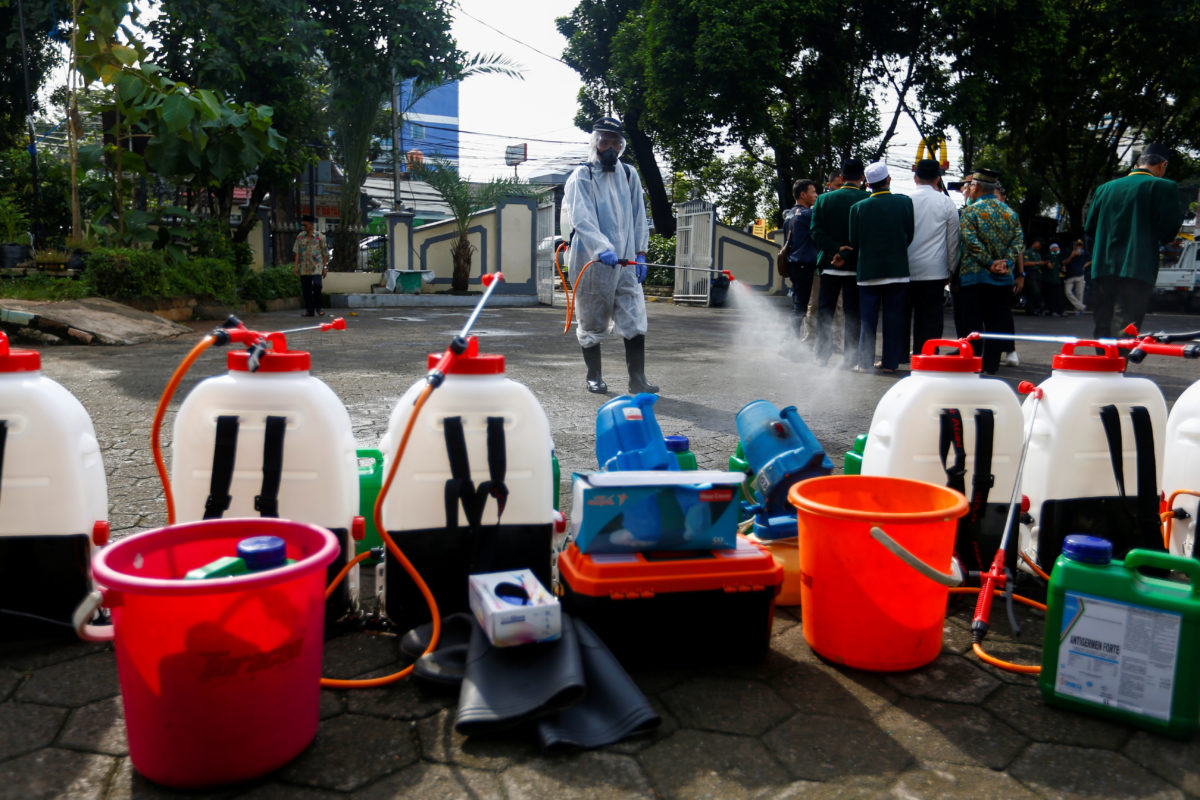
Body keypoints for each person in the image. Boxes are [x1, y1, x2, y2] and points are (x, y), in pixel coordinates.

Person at [561, 116, 655, 395]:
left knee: (634, 316)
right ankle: (594, 376)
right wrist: (602, 248)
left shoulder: (629, 174)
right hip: (592, 261)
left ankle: (637, 379)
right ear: (595, 143)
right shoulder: (583, 175)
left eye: (616, 142)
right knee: (592, 318)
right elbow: (582, 218)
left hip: (626, 262)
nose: (610, 147)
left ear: (622, 145)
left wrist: (640, 252)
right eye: (605, 141)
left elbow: (639, 215)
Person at [1085, 142, 1183, 338]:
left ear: (1139, 163)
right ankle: (1120, 360)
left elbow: (1090, 229)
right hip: (1138, 267)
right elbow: (1168, 231)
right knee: (1125, 328)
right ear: (1162, 165)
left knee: (1102, 326)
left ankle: (1103, 359)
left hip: (1102, 267)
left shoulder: (1104, 188)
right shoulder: (1164, 186)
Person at [954, 169, 1024, 374]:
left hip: (974, 278)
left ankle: (973, 366)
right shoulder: (1010, 213)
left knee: (972, 325)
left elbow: (970, 241)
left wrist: (989, 263)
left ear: (975, 187)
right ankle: (991, 367)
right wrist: (1005, 262)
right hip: (1002, 280)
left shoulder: (970, 212)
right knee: (996, 324)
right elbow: (1018, 241)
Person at [848, 162, 913, 373]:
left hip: (868, 271)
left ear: (867, 184)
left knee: (868, 321)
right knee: (893, 320)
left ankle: (865, 363)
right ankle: (890, 363)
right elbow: (909, 235)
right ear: (889, 180)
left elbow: (854, 241)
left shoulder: (858, 208)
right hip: (897, 271)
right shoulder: (904, 203)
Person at [811, 158, 869, 368]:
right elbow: (867, 236)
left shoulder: (823, 200)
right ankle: (851, 358)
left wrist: (836, 250)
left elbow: (815, 231)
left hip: (829, 264)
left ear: (842, 177)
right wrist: (848, 253)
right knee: (853, 313)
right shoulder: (867, 199)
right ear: (862, 177)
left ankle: (822, 355)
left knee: (825, 311)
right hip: (856, 266)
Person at [906, 158, 960, 356]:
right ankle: (927, 355)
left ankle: (899, 354)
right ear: (938, 179)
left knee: (903, 314)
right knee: (930, 317)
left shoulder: (905, 200)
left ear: (915, 177)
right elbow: (953, 241)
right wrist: (951, 268)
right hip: (935, 271)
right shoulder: (946, 203)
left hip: (906, 268)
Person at [781, 178, 819, 347]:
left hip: (794, 265)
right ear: (803, 195)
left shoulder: (789, 214)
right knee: (800, 307)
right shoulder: (807, 215)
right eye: (813, 192)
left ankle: (791, 342)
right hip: (804, 265)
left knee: (798, 304)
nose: (816, 195)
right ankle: (789, 343)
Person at [293, 214, 328, 317]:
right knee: (306, 289)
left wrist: (324, 267)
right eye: (302, 225)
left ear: (311, 225)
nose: (303, 227)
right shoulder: (300, 237)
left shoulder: (320, 237)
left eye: (305, 225)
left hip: (316, 266)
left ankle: (319, 307)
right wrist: (296, 266)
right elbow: (297, 252)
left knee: (317, 285)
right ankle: (309, 310)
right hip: (305, 266)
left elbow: (324, 253)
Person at [1021, 238, 1047, 316]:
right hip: (1030, 273)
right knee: (1034, 291)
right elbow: (1024, 263)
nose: (1040, 246)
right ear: (1036, 242)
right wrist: (1037, 263)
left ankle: (1032, 310)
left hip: (1038, 273)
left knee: (1035, 291)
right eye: (1040, 244)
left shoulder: (1037, 253)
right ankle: (1039, 307)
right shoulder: (1028, 252)